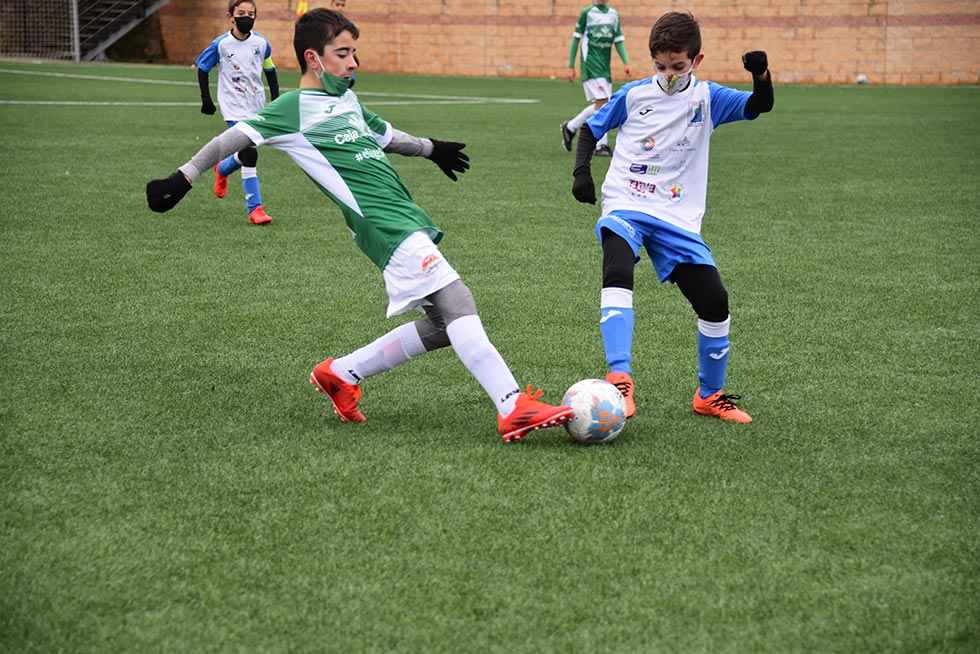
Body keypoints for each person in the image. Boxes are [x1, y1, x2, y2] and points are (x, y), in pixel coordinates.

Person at [147, 9, 573, 442]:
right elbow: (231, 139)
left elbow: (388, 137)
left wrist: (431, 149)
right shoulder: (292, 107)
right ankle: (512, 405)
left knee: (445, 325)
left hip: (403, 214)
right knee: (457, 298)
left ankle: (340, 373)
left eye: (355, 53)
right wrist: (183, 177)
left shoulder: (346, 101)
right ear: (314, 58)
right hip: (380, 222)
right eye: (343, 54)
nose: (353, 63)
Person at [570, 11, 775, 423]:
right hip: (627, 199)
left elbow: (759, 105)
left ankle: (710, 395)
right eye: (661, 66)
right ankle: (620, 380)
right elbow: (591, 129)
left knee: (714, 301)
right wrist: (582, 173)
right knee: (617, 267)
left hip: (677, 215)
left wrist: (761, 74)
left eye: (678, 66)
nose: (668, 74)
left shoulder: (709, 98)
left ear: (696, 61)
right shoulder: (633, 94)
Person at [196, 0, 279, 225]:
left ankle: (222, 168)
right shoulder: (220, 44)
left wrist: (276, 99)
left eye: (251, 14)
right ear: (230, 16)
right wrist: (207, 100)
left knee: (246, 152)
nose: (246, 17)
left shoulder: (262, 43)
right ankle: (255, 209)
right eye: (241, 13)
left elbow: (270, 70)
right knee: (250, 153)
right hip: (233, 107)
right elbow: (203, 69)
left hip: (257, 106)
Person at [561, 0, 630, 157]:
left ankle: (571, 127)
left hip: (604, 68)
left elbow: (618, 41)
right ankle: (601, 145)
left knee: (602, 104)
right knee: (604, 103)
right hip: (590, 65)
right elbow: (576, 40)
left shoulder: (613, 15)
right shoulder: (587, 13)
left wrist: (626, 62)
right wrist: (571, 65)